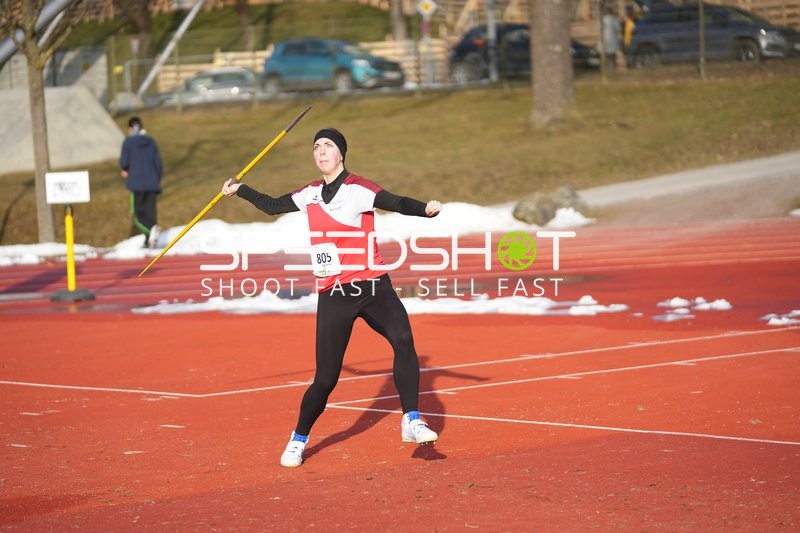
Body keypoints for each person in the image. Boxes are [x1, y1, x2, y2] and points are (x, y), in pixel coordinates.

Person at [222, 128, 442, 468]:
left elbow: (394, 201)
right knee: (326, 379)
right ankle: (298, 439)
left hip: (372, 286)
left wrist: (423, 209)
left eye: (328, 146)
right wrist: (240, 189)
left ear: (341, 154)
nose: (321, 151)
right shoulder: (309, 193)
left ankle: (412, 419)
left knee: (403, 339)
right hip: (335, 293)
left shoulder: (358, 189)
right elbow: (271, 206)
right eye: (316, 147)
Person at [120, 116, 163, 249]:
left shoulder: (128, 142)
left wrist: (125, 170)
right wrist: (156, 179)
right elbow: (158, 164)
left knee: (137, 215)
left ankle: (151, 230)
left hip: (136, 183)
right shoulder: (151, 141)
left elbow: (124, 162)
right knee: (150, 213)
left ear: (130, 128)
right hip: (152, 183)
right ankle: (149, 241)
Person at [601, 7, 622, 72]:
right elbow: (619, 28)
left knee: (607, 55)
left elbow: (599, 29)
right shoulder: (613, 19)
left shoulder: (603, 20)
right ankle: (613, 68)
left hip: (605, 40)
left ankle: (608, 68)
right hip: (613, 40)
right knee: (613, 55)